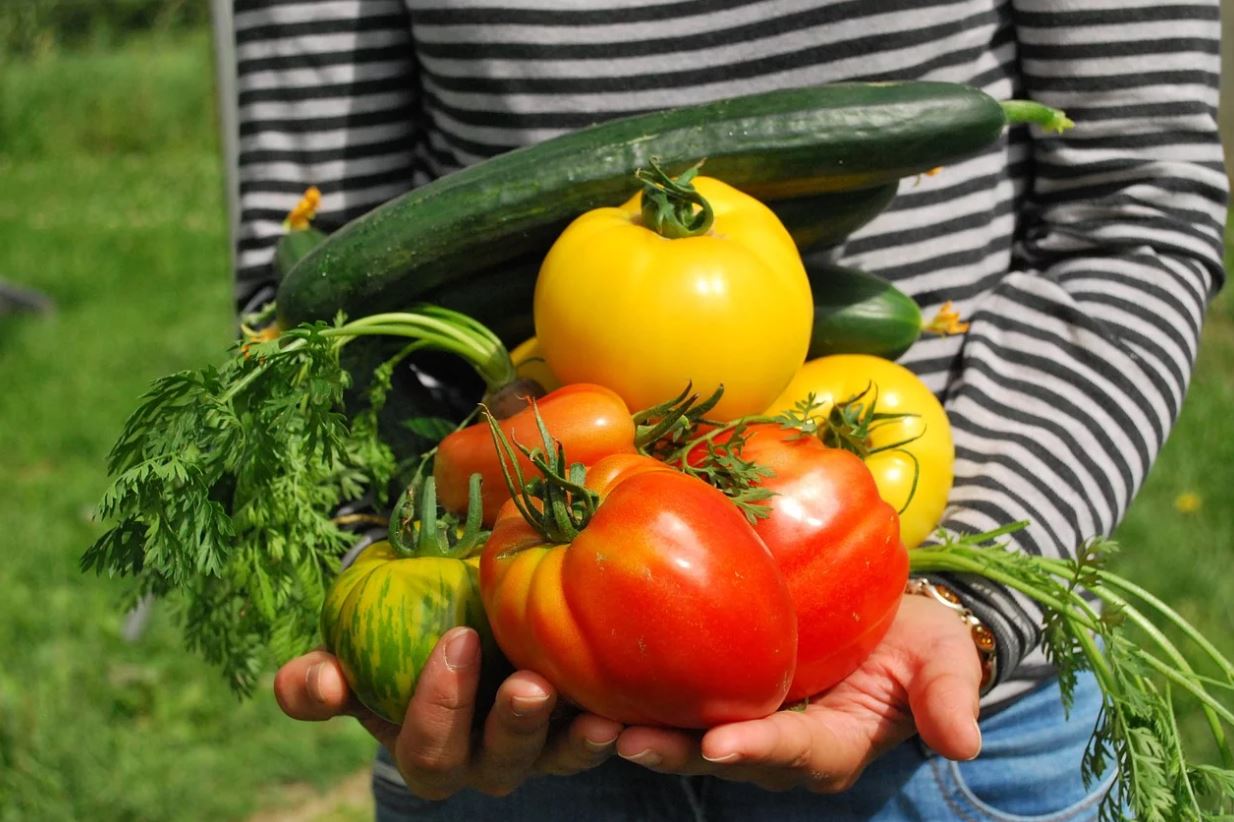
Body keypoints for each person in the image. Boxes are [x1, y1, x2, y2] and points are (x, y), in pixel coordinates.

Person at [231, 1, 1227, 818]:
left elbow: (1134, 214)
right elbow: (308, 291)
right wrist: (383, 582)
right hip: (503, 675)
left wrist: (964, 598)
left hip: (939, 714)